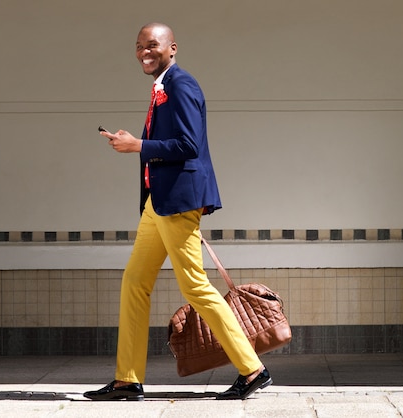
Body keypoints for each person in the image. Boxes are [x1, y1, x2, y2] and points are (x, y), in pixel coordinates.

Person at [84, 22, 271, 401]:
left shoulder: (181, 84)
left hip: (179, 200)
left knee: (195, 286)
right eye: (138, 46)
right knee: (135, 281)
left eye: (152, 45)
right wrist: (136, 143)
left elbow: (188, 144)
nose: (143, 52)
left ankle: (253, 369)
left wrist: (138, 145)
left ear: (172, 48)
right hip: (159, 202)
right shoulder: (162, 87)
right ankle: (128, 379)